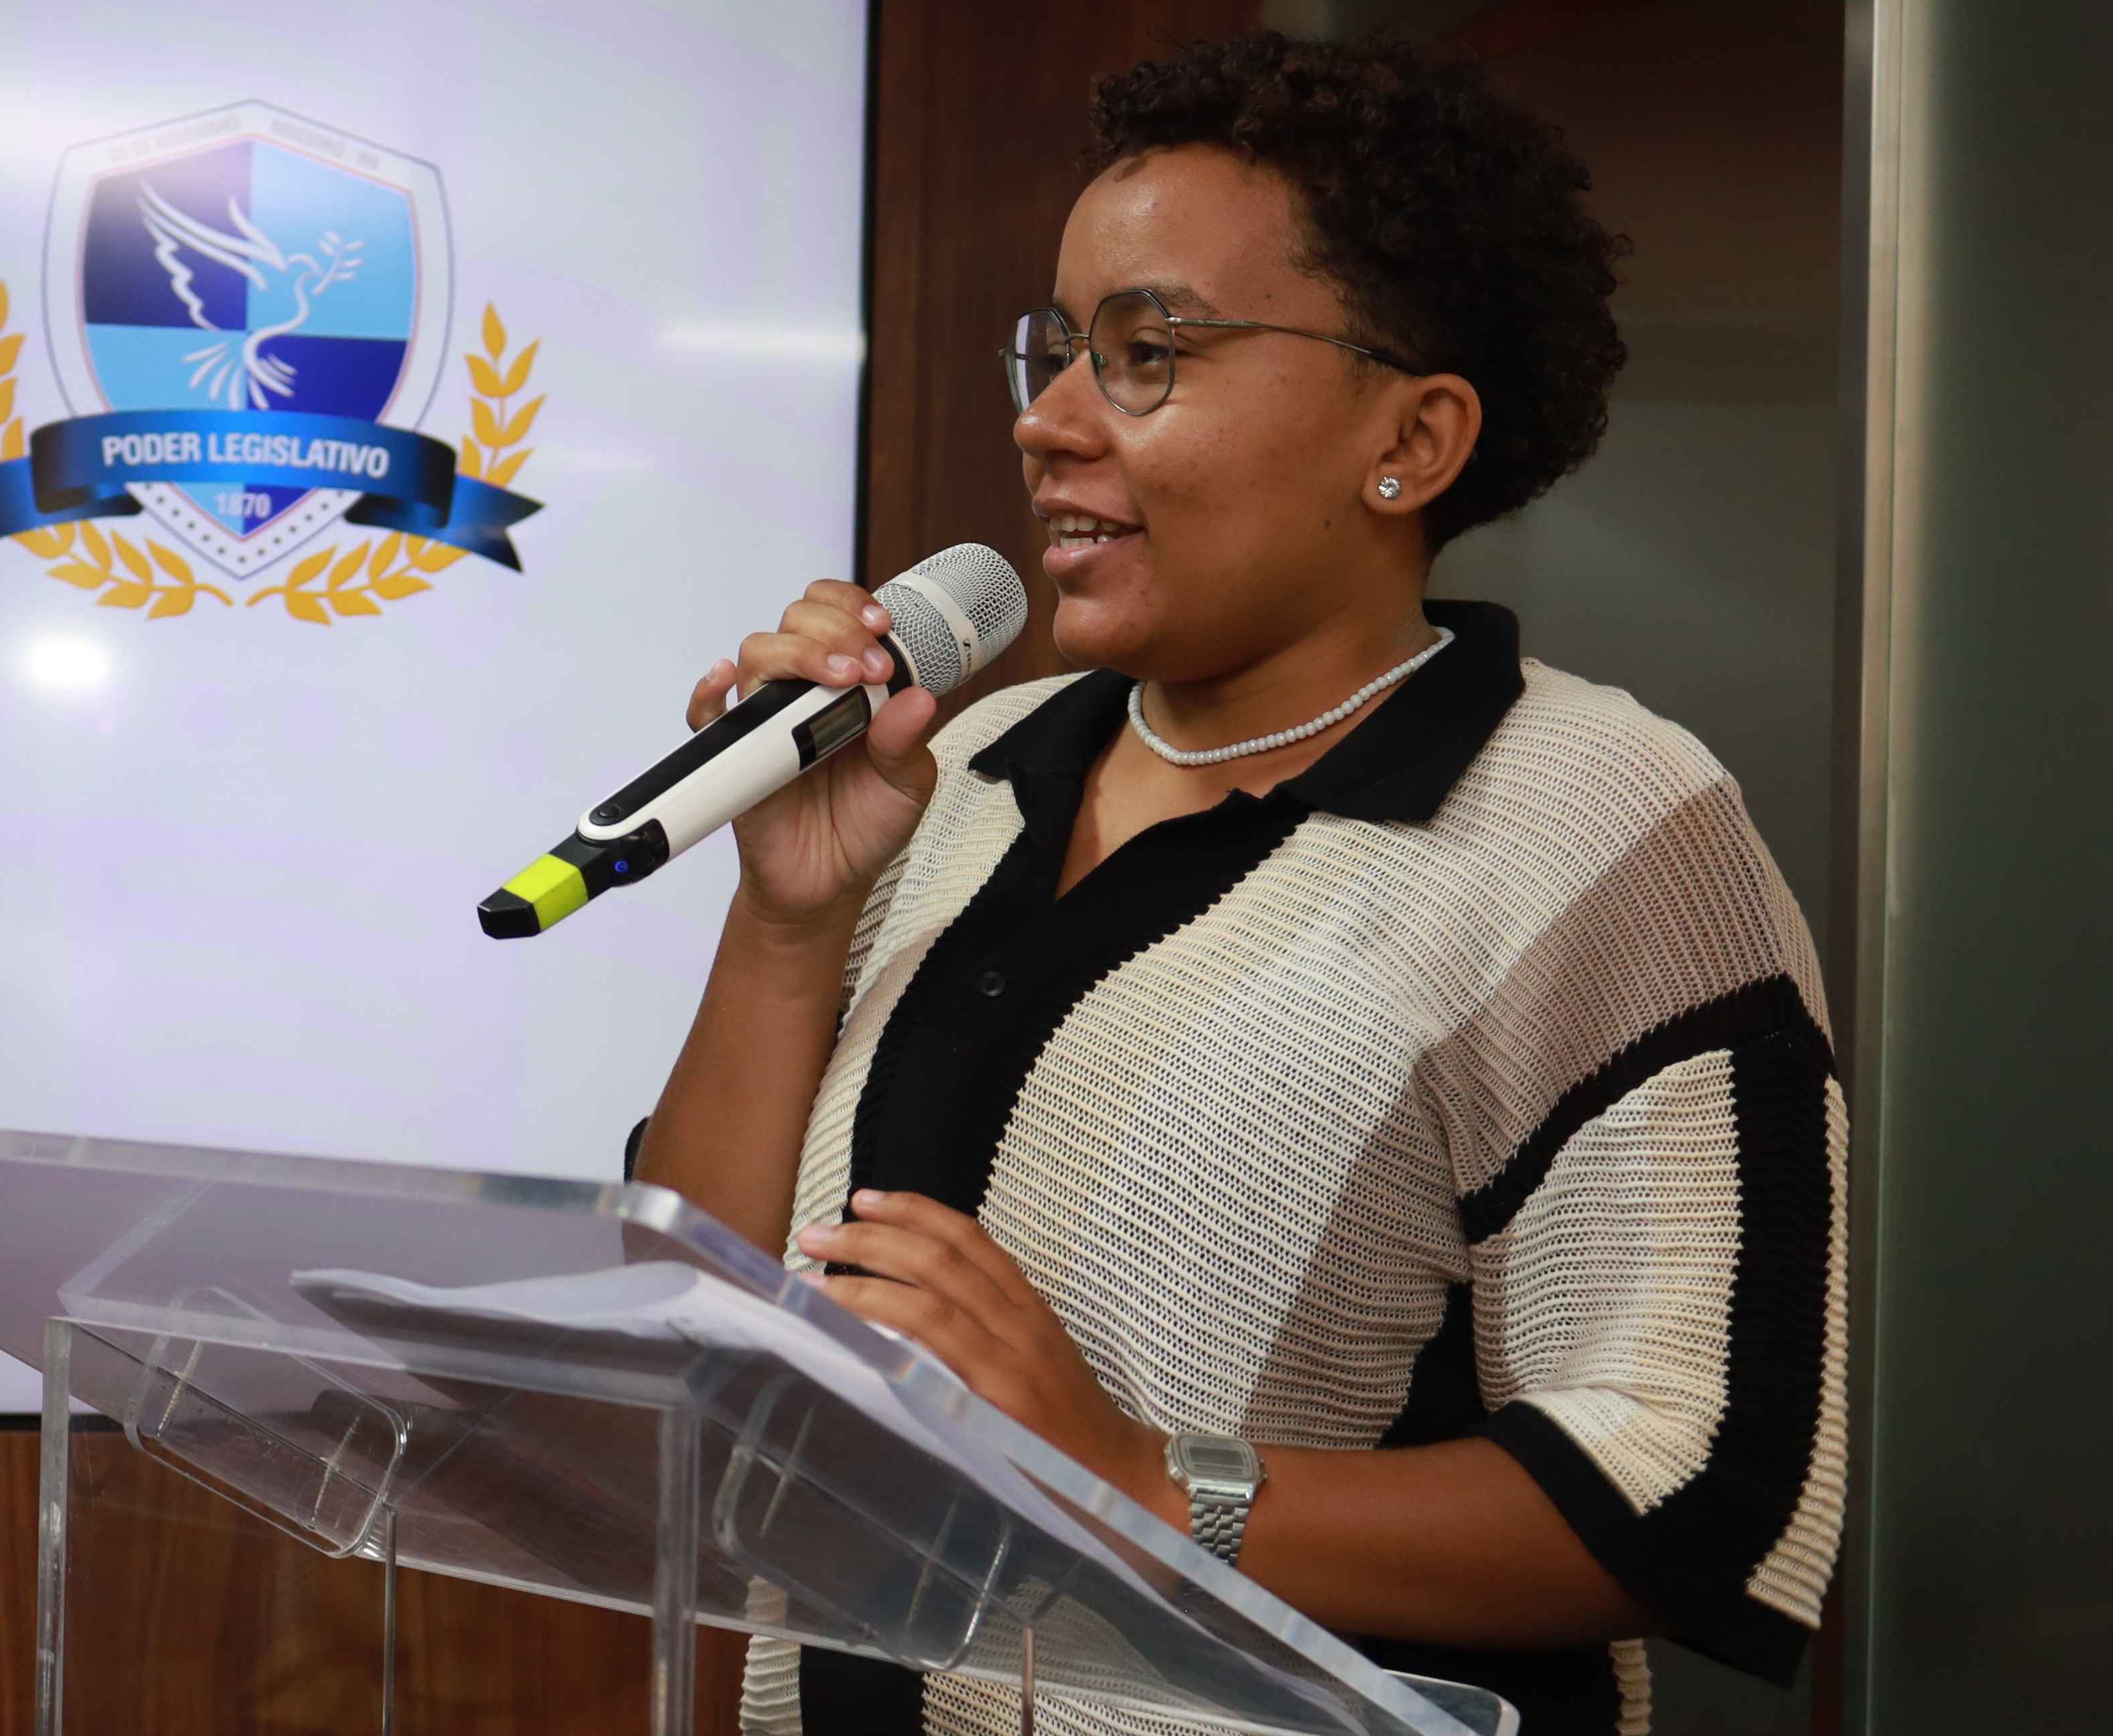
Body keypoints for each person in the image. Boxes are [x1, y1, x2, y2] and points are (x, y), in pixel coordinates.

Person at [633, 30, 1845, 1736]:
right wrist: (789, 918)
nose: (1046, 421)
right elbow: (696, 1319)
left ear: (1410, 437)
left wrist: (1139, 1478)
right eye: (1058, 348)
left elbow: (1695, 1488)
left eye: (1148, 353)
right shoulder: (971, 766)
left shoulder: (1600, 823)